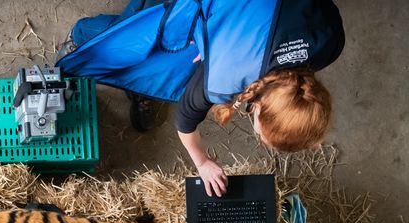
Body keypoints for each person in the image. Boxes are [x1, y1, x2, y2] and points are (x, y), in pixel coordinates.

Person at [56, 0, 344, 195]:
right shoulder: (224, 78)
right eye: (259, 129)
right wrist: (202, 163)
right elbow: (186, 117)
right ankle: (84, 33)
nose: (255, 131)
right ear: (258, 106)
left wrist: (215, 41)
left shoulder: (329, 42)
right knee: (141, 43)